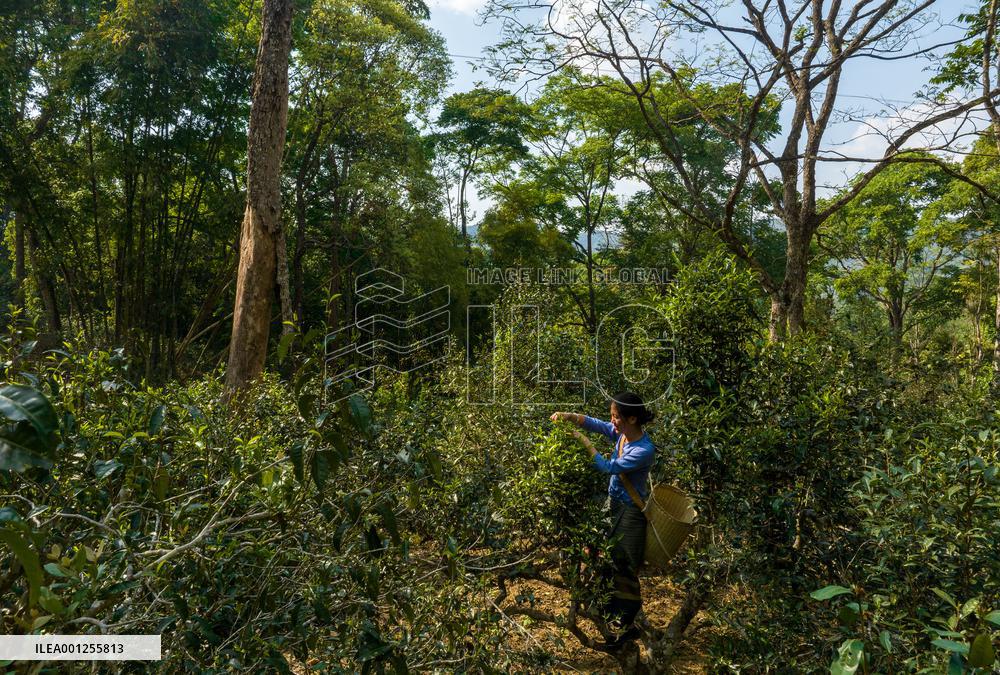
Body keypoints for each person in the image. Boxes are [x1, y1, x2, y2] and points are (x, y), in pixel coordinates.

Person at [550, 391, 656, 652]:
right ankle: (610, 620)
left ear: (632, 418)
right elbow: (600, 425)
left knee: (624, 568)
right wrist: (571, 417)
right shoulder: (622, 434)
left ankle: (627, 627)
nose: (613, 421)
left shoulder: (643, 449)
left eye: (616, 417)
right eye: (612, 415)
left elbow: (609, 467)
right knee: (600, 558)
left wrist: (582, 441)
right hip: (612, 506)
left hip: (630, 514)